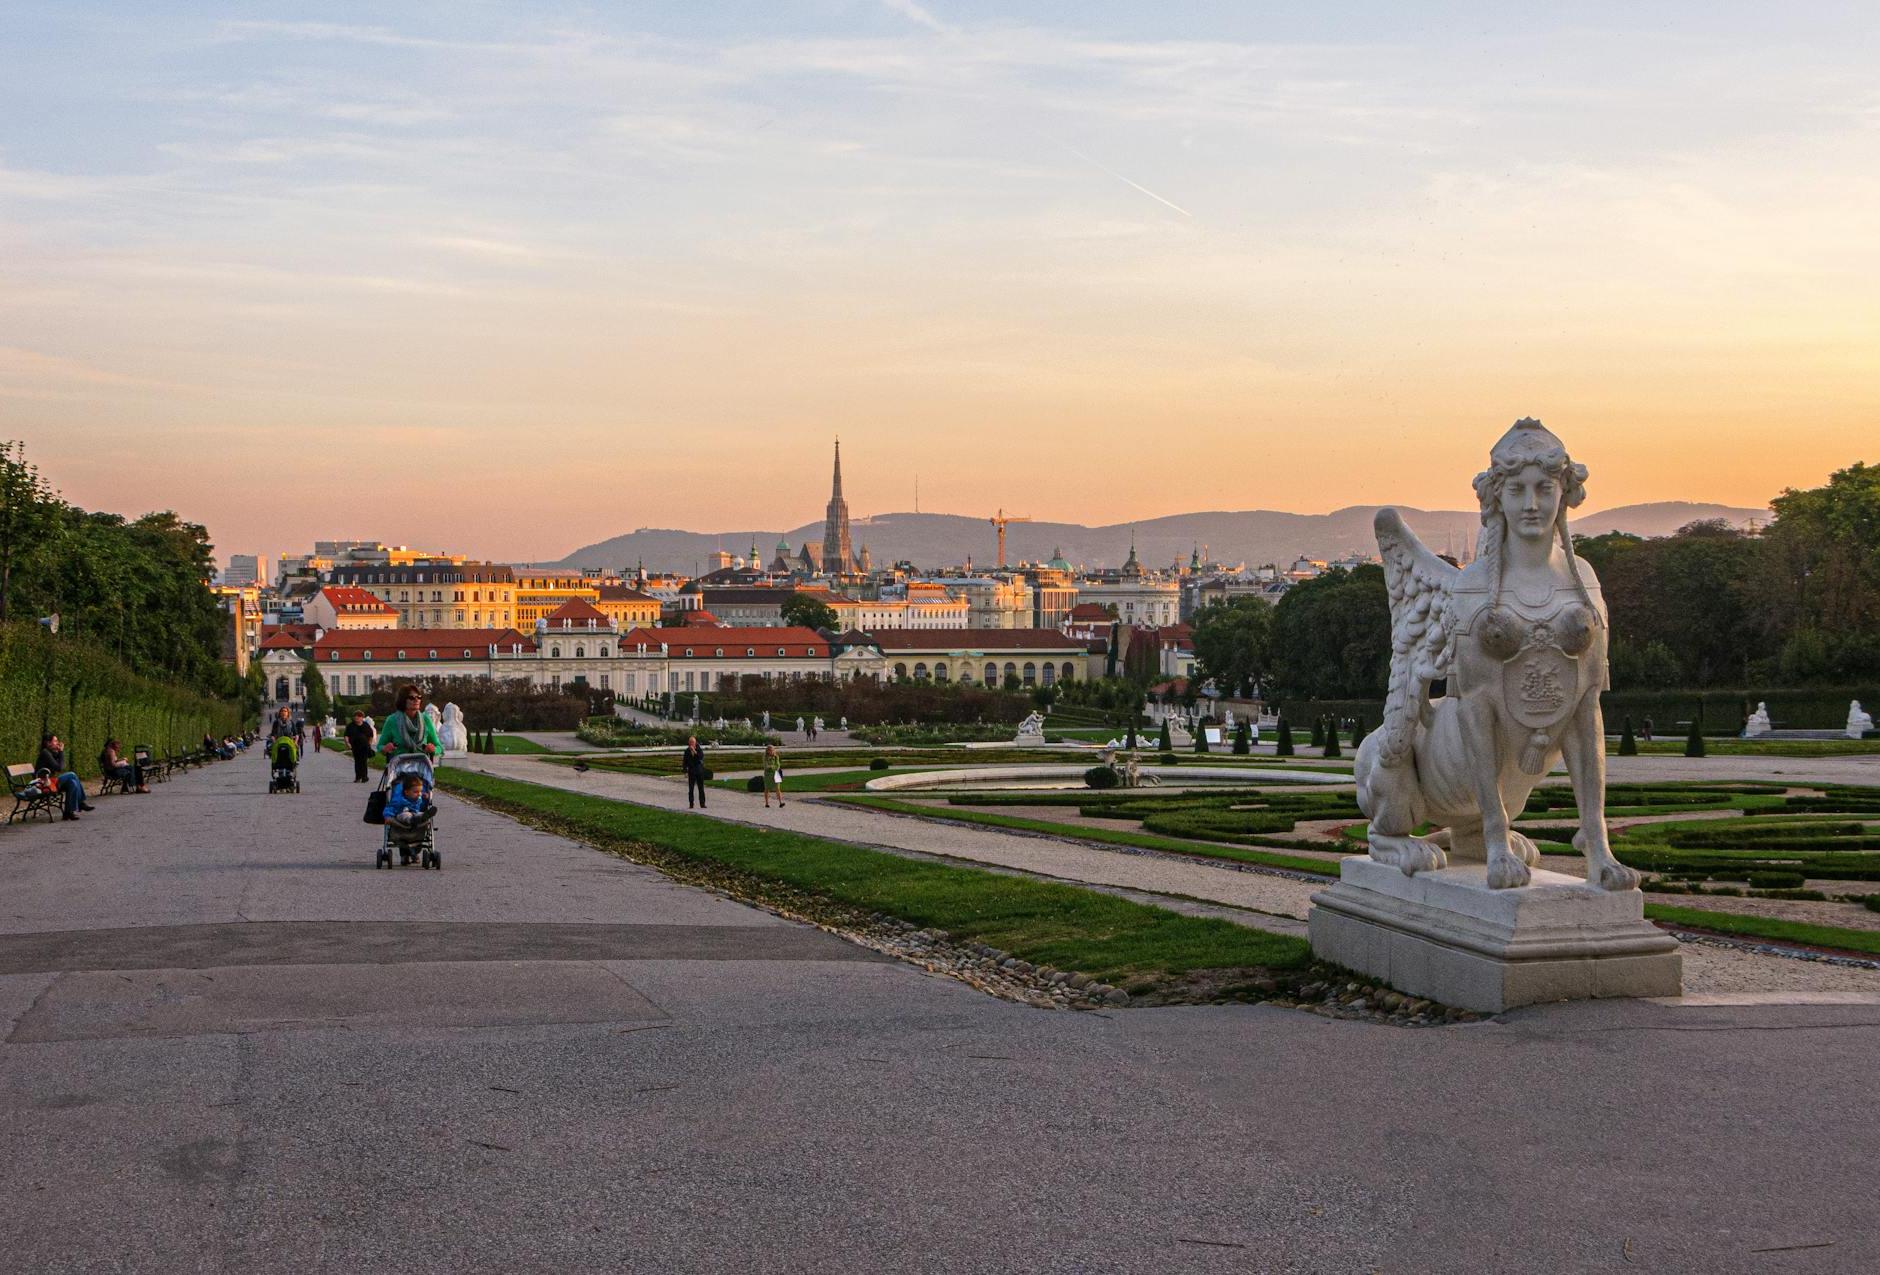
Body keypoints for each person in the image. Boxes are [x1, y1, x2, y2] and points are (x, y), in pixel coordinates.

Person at [377, 684, 441, 770]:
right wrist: (385, 748)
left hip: (421, 768)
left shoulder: (426, 719)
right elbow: (380, 746)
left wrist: (433, 749)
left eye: (419, 697)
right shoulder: (392, 720)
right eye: (412, 697)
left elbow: (439, 747)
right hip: (399, 769)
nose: (416, 700)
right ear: (403, 700)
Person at [34, 733, 92, 821]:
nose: (57, 743)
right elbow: (59, 768)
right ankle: (80, 803)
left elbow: (59, 764)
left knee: (72, 783)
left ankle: (68, 812)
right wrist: (61, 752)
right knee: (72, 774)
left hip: (51, 782)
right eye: (55, 741)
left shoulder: (50, 752)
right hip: (45, 784)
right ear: (48, 743)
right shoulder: (45, 753)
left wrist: (58, 752)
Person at [344, 710, 376, 783]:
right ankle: (358, 777)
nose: (356, 717)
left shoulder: (366, 725)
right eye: (355, 716)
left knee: (364, 761)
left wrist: (369, 744)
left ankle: (364, 777)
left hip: (364, 746)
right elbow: (346, 735)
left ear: (362, 717)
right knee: (357, 762)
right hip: (355, 746)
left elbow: (371, 735)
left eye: (359, 716)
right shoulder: (350, 726)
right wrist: (347, 743)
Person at [681, 735, 708, 808]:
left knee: (701, 788)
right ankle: (691, 803)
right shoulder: (687, 751)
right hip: (691, 771)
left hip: (699, 771)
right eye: (690, 742)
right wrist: (685, 771)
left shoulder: (699, 749)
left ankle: (702, 804)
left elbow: (701, 757)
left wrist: (694, 751)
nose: (691, 744)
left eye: (693, 742)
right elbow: (684, 761)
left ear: (695, 743)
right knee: (691, 789)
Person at [762, 742, 785, 809]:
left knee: (778, 788)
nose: (771, 751)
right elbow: (766, 766)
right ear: (767, 751)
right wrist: (773, 767)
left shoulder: (776, 756)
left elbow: (778, 765)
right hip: (768, 775)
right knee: (767, 789)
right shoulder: (765, 757)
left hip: (776, 774)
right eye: (770, 750)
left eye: (772, 750)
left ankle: (780, 802)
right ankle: (767, 803)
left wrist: (773, 767)